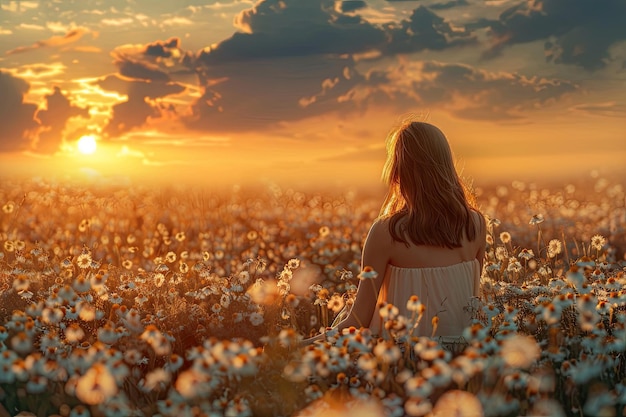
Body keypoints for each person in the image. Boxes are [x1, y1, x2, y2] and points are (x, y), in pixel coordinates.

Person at [302, 120, 486, 345]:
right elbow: (472, 307)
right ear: (447, 166)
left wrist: (297, 346)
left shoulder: (388, 232)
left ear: (399, 171)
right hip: (463, 360)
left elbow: (358, 320)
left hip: (399, 362)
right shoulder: (475, 224)